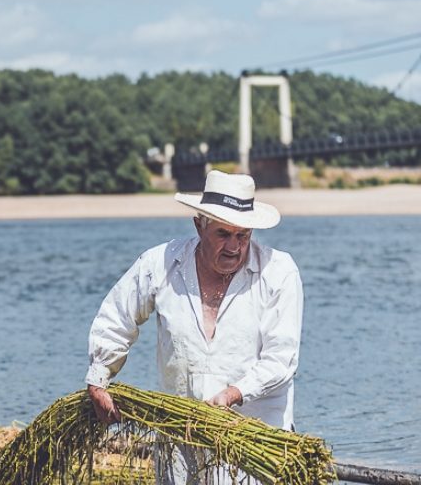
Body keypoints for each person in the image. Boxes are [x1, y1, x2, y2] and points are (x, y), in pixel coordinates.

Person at [85, 169, 304, 484]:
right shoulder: (159, 263)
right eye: (223, 234)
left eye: (243, 235)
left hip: (256, 446)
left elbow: (281, 358)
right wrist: (99, 379)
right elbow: (116, 318)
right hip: (180, 440)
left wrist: (233, 393)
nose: (234, 247)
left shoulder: (279, 272)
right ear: (199, 225)